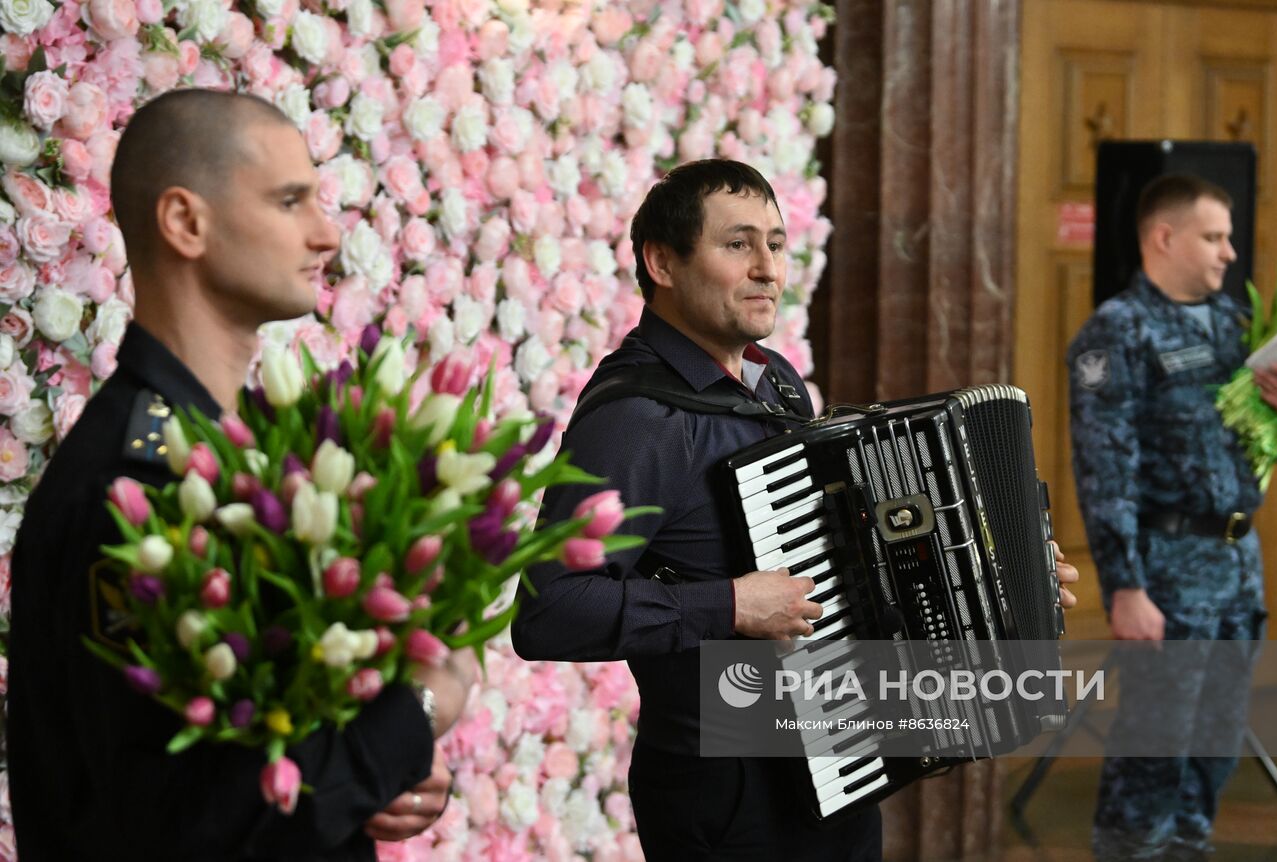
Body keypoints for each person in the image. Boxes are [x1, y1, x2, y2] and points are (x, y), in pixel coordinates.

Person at [512, 159, 1079, 861]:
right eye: (737, 244)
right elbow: (550, 611)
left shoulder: (775, 382)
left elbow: (858, 566)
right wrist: (731, 607)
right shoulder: (638, 419)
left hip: (836, 760)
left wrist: (998, 581)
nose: (767, 269)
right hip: (724, 790)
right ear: (662, 262)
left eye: (776, 245)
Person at [6, 89, 468, 861]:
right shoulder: (138, 480)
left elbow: (265, 753)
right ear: (187, 222)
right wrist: (416, 711)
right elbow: (190, 822)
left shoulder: (232, 445)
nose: (326, 234)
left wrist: (381, 775)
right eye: (291, 201)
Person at [1067, 174, 1277, 862]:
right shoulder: (1114, 333)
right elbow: (1105, 472)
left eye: (1227, 237)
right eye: (1213, 237)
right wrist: (1125, 588)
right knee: (1152, 758)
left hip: (1238, 570)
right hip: (1165, 575)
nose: (1228, 252)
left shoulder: (1236, 327)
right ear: (1165, 237)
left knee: (1213, 753)